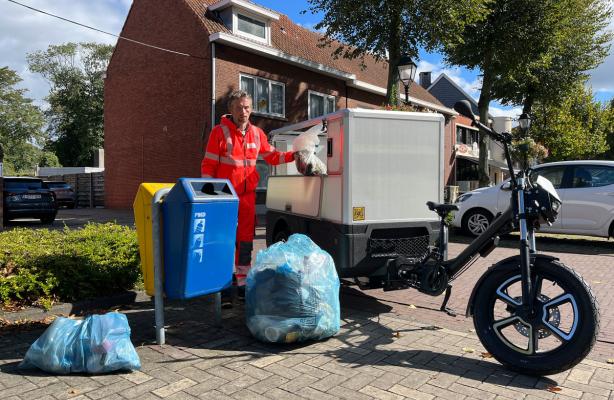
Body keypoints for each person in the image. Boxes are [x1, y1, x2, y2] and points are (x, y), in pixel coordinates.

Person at [201, 90, 296, 306]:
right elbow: (208, 165)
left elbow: (272, 156)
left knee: (245, 241)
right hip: (223, 197)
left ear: (251, 109)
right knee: (224, 241)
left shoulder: (257, 133)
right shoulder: (219, 132)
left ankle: (242, 285)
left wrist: (294, 154)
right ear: (230, 110)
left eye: (246, 107)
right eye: (238, 107)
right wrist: (209, 195)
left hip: (247, 197)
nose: (243, 112)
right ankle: (223, 288)